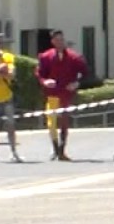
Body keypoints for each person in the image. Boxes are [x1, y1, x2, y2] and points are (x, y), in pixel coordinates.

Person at [36, 30, 88, 161]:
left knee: (64, 121)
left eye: (62, 39)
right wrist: (45, 82)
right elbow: (40, 74)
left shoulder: (74, 57)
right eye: (57, 40)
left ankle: (62, 148)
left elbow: (85, 72)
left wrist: (77, 82)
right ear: (52, 42)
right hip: (52, 93)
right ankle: (54, 148)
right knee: (51, 122)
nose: (60, 42)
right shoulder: (45, 57)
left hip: (66, 93)